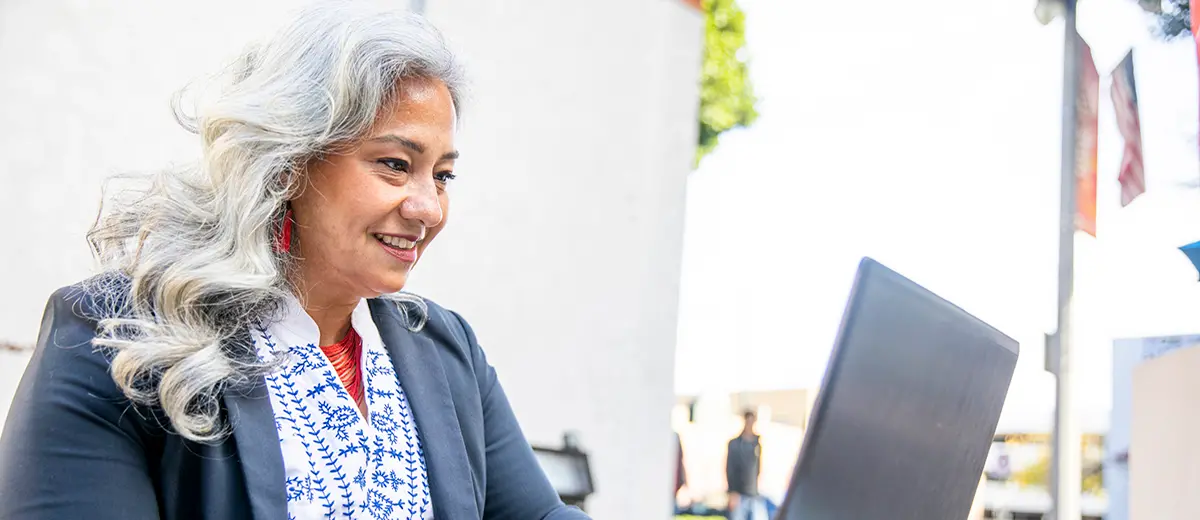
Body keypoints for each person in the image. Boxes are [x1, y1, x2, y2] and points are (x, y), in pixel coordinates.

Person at [0, 3, 590, 519]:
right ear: (288, 163)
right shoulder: (114, 339)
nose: (427, 208)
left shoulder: (443, 348)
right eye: (393, 164)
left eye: (443, 175)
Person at [726, 410, 767, 520]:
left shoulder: (756, 444)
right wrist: (732, 491)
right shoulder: (735, 444)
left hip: (753, 493)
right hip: (739, 493)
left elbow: (757, 468)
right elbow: (730, 468)